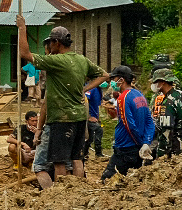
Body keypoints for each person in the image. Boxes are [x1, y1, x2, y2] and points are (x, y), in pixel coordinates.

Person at [26, 26, 107, 191]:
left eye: (51, 43)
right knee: (77, 158)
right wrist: (85, 88)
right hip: (79, 118)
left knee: (59, 161)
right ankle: (78, 191)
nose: (49, 47)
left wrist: (21, 28)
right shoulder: (81, 60)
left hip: (61, 119)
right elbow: (105, 75)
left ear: (57, 42)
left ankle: (62, 195)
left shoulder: (57, 61)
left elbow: (25, 54)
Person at [101, 66, 154, 180]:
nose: (112, 82)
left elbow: (129, 125)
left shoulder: (123, 98)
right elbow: (149, 121)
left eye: (114, 79)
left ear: (121, 80)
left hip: (125, 148)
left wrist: (140, 143)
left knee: (107, 179)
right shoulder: (140, 95)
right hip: (137, 148)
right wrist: (146, 142)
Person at [151, 70, 182, 158]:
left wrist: (161, 154)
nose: (154, 85)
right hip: (181, 145)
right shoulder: (180, 95)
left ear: (162, 82)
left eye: (155, 82)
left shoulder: (167, 103)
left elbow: (166, 132)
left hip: (172, 151)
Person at [85, 80, 105, 159]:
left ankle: (85, 153)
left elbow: (97, 105)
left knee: (89, 136)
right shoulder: (91, 88)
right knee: (99, 130)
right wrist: (89, 116)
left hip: (94, 116)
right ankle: (98, 153)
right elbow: (84, 101)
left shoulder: (98, 90)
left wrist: (98, 117)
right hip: (88, 117)